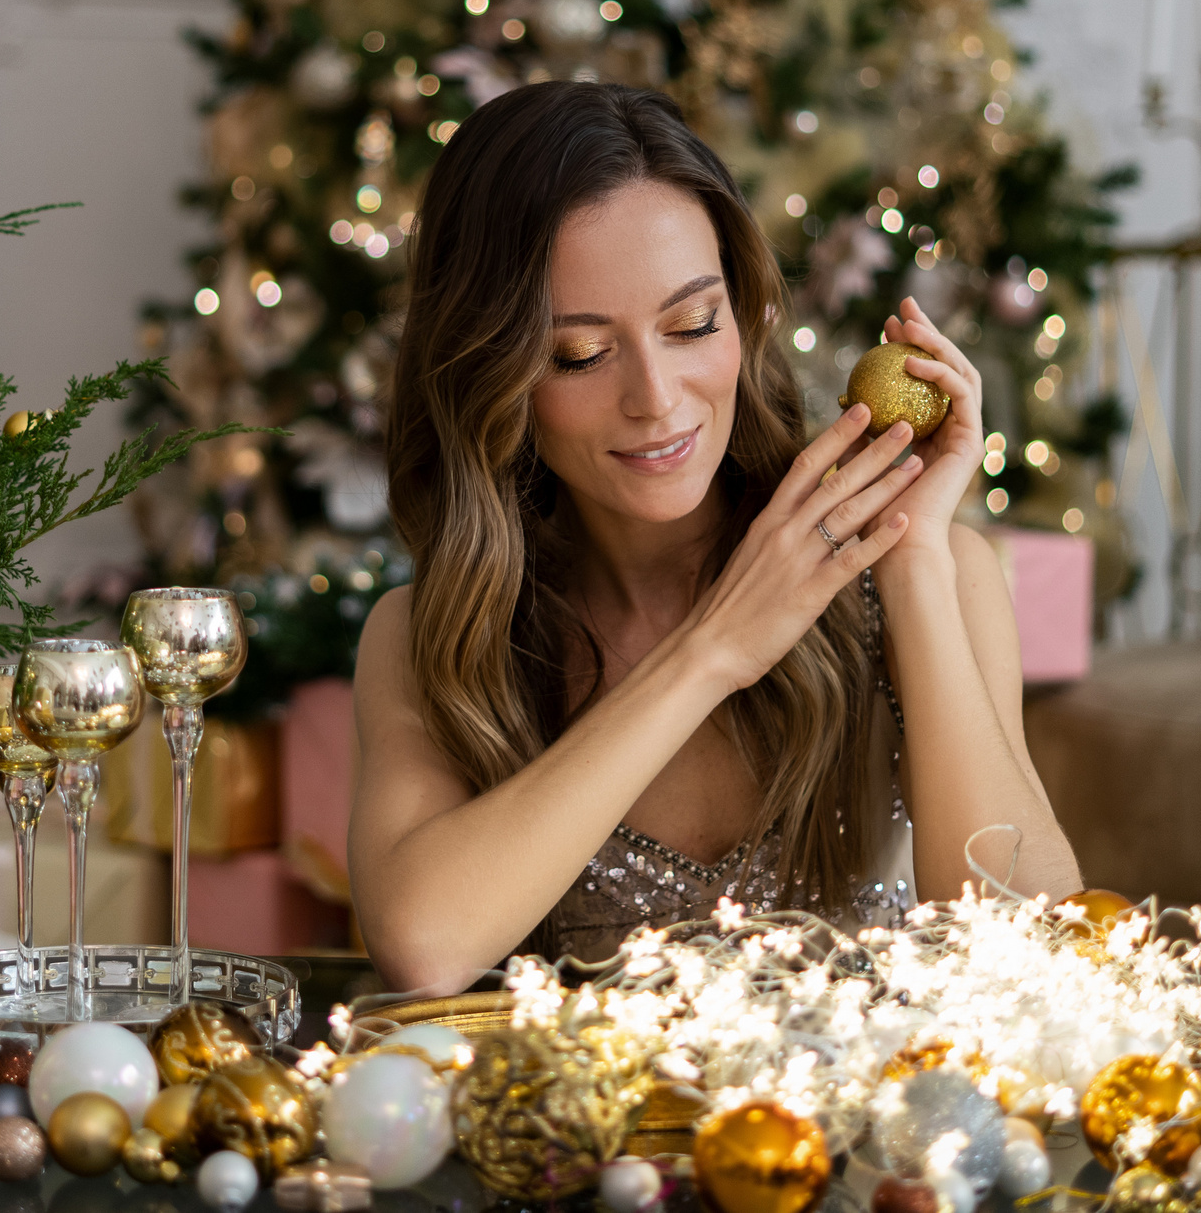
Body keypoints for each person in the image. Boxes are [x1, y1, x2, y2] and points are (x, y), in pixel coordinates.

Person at [349, 83, 1080, 995]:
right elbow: (423, 946)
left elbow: (1036, 951)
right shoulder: (433, 638)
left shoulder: (935, 570)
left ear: (743, 313)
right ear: (490, 371)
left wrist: (913, 559)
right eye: (580, 353)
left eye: (693, 324)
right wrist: (711, 650)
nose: (657, 399)